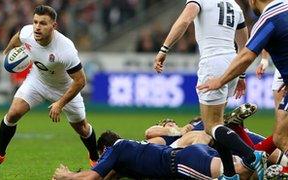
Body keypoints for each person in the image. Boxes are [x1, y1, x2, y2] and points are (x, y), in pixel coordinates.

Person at [153, 1, 266, 179]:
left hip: (213, 63)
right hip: (232, 62)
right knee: (218, 124)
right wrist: (241, 73)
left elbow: (184, 20)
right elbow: (244, 41)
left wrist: (164, 49)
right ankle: (230, 174)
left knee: (211, 126)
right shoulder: (234, 6)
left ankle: (252, 156)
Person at [0, 5, 99, 167]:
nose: (37, 27)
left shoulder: (65, 48)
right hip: (38, 80)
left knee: (82, 128)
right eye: (35, 22)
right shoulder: (28, 32)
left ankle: (95, 159)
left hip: (64, 88)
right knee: (13, 113)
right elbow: (17, 37)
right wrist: (7, 50)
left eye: (43, 23)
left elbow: (80, 81)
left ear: (53, 26)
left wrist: (60, 103)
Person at [197, 0, 288, 169]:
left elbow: (246, 55)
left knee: (282, 138)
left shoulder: (268, 19)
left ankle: (253, 158)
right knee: (280, 136)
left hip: (215, 61)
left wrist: (220, 80)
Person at [52, 131, 257, 180]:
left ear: (104, 150)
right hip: (190, 153)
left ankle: (250, 151)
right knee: (245, 173)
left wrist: (67, 175)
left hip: (184, 162)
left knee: (242, 172)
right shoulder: (127, 153)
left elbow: (94, 177)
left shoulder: (117, 149)